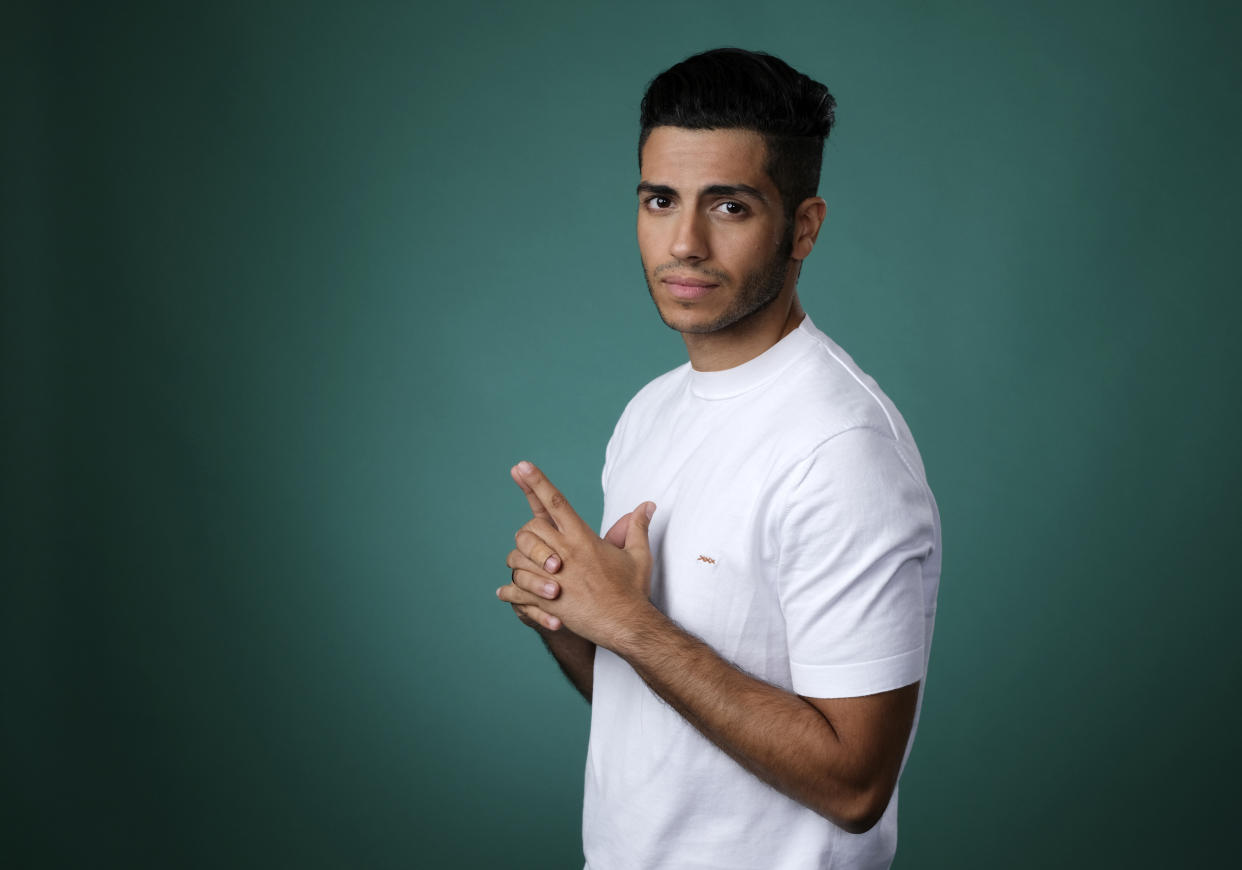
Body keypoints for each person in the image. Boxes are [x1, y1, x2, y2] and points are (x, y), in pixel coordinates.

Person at [497, 47, 941, 870]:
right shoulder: (650, 411)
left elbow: (853, 785)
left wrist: (629, 621)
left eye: (729, 206)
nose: (685, 242)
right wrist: (569, 611)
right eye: (660, 200)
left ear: (802, 226)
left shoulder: (841, 450)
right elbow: (657, 705)